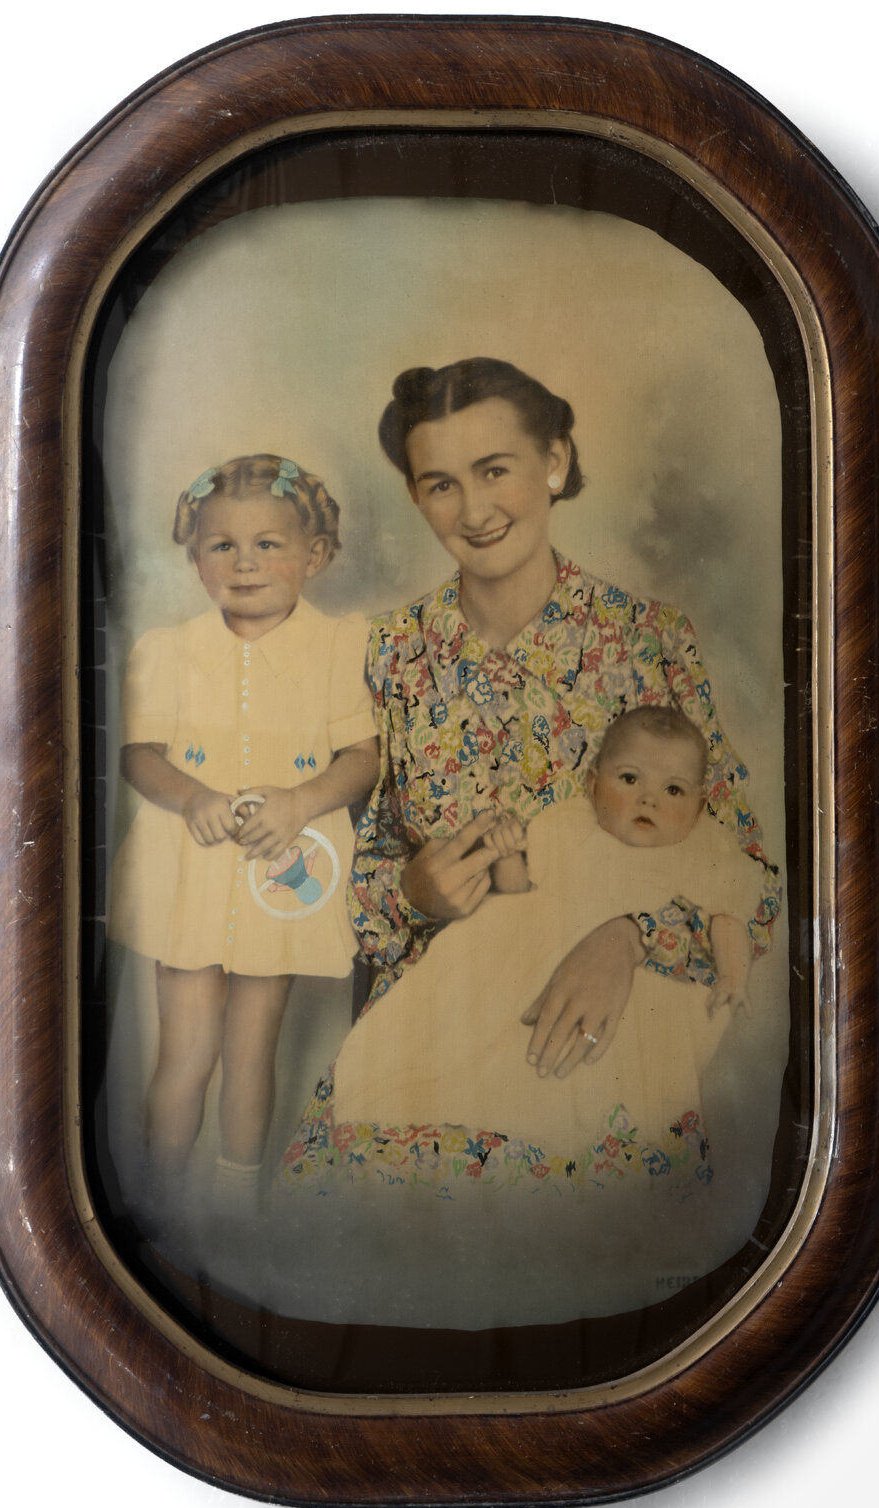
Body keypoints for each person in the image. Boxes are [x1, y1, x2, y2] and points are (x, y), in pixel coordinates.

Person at [348, 358, 781, 1078]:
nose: (474, 511)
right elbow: (350, 880)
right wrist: (412, 894)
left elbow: (749, 877)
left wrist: (630, 938)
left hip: (599, 1065)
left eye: (494, 470)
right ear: (416, 498)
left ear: (554, 461)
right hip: (425, 1055)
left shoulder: (650, 639)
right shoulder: (387, 652)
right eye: (442, 485)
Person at [283, 706, 763, 1191]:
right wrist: (508, 852)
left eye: (673, 790)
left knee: (603, 1096)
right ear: (595, 784)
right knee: (475, 1052)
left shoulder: (703, 851)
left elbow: (729, 921)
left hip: (627, 1007)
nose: (649, 800)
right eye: (630, 778)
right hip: (524, 965)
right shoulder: (573, 825)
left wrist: (733, 977)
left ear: (699, 806)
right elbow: (517, 889)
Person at [108, 453, 379, 1218]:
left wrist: (300, 801)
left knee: (252, 1049)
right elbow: (137, 753)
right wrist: (190, 795)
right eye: (223, 545)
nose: (246, 562)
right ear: (195, 560)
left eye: (269, 543)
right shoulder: (169, 651)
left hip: (281, 872)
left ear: (315, 555)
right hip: (190, 881)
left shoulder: (336, 650)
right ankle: (159, 1205)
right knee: (187, 1051)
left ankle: (234, 1207)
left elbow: (362, 757)